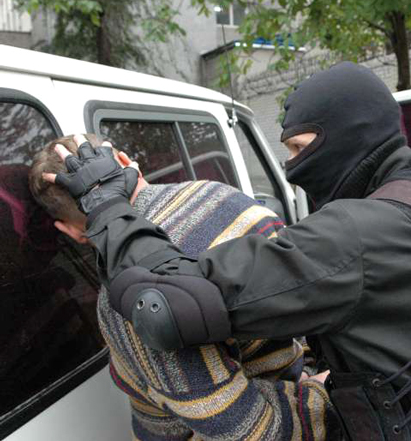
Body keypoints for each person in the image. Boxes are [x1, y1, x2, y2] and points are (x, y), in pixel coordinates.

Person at [47, 63, 411, 440]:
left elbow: (166, 307)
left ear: (348, 135)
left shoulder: (355, 234)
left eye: (299, 148)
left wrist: (107, 207)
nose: (292, 168)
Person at [30, 134, 338, 440]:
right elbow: (304, 294)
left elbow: (249, 430)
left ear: (70, 231)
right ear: (125, 162)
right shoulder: (224, 194)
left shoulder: (126, 301)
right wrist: (315, 375)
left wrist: (321, 397)